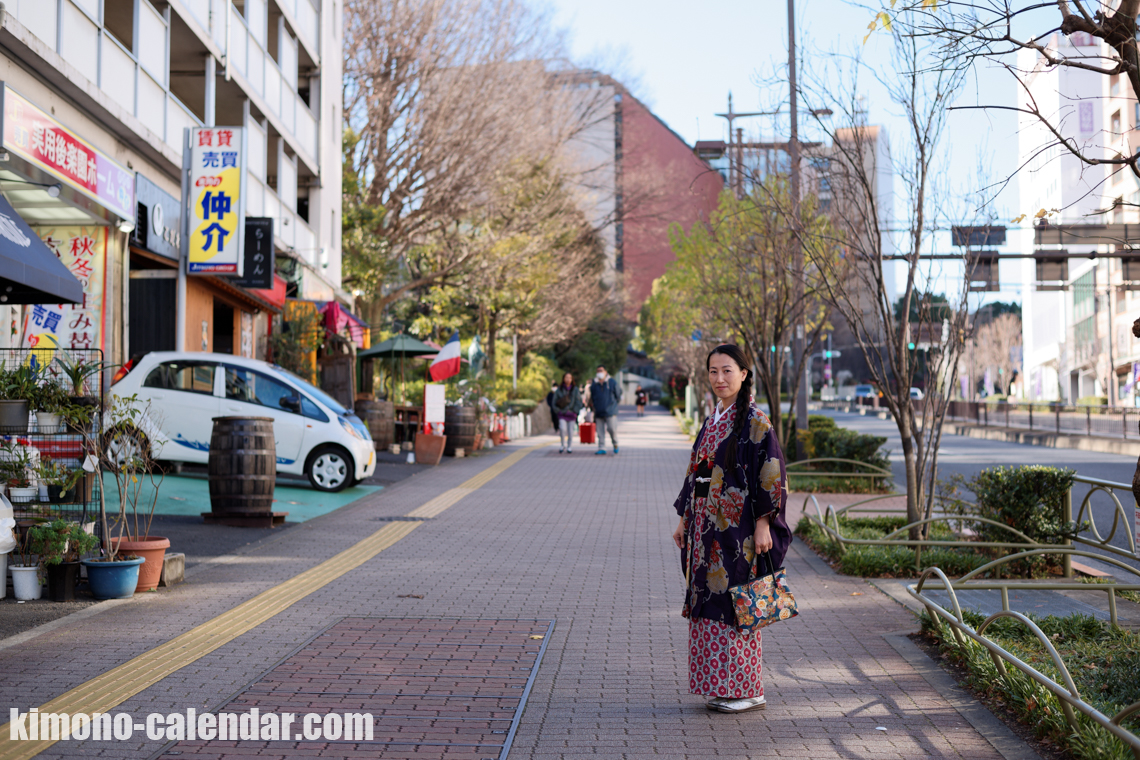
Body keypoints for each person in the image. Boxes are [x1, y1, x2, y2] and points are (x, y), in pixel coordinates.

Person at [670, 343, 792, 714]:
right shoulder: (714, 421)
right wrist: (685, 520)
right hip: (708, 532)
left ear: (743, 374)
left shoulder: (757, 422)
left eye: (727, 370)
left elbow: (770, 475)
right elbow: (702, 476)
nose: (719, 378)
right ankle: (720, 686)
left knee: (738, 605)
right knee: (710, 603)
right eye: (713, 371)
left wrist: (763, 524)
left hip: (738, 533)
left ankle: (748, 689)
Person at [588, 365, 621, 455]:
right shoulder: (594, 384)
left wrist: (613, 405)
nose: (599, 372)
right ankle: (601, 447)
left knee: (612, 429)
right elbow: (592, 396)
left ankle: (615, 443)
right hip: (598, 411)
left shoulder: (612, 382)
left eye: (601, 370)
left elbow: (618, 395)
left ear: (606, 372)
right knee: (600, 431)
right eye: (598, 371)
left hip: (610, 411)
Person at [552, 373, 583, 453]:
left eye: (570, 378)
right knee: (562, 429)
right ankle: (562, 445)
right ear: (563, 378)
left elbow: (578, 401)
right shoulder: (560, 389)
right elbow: (554, 402)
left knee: (570, 431)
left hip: (572, 414)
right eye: (566, 377)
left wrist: (575, 411)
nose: (568, 379)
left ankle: (569, 446)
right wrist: (558, 411)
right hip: (562, 414)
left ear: (572, 379)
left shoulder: (575, 389)